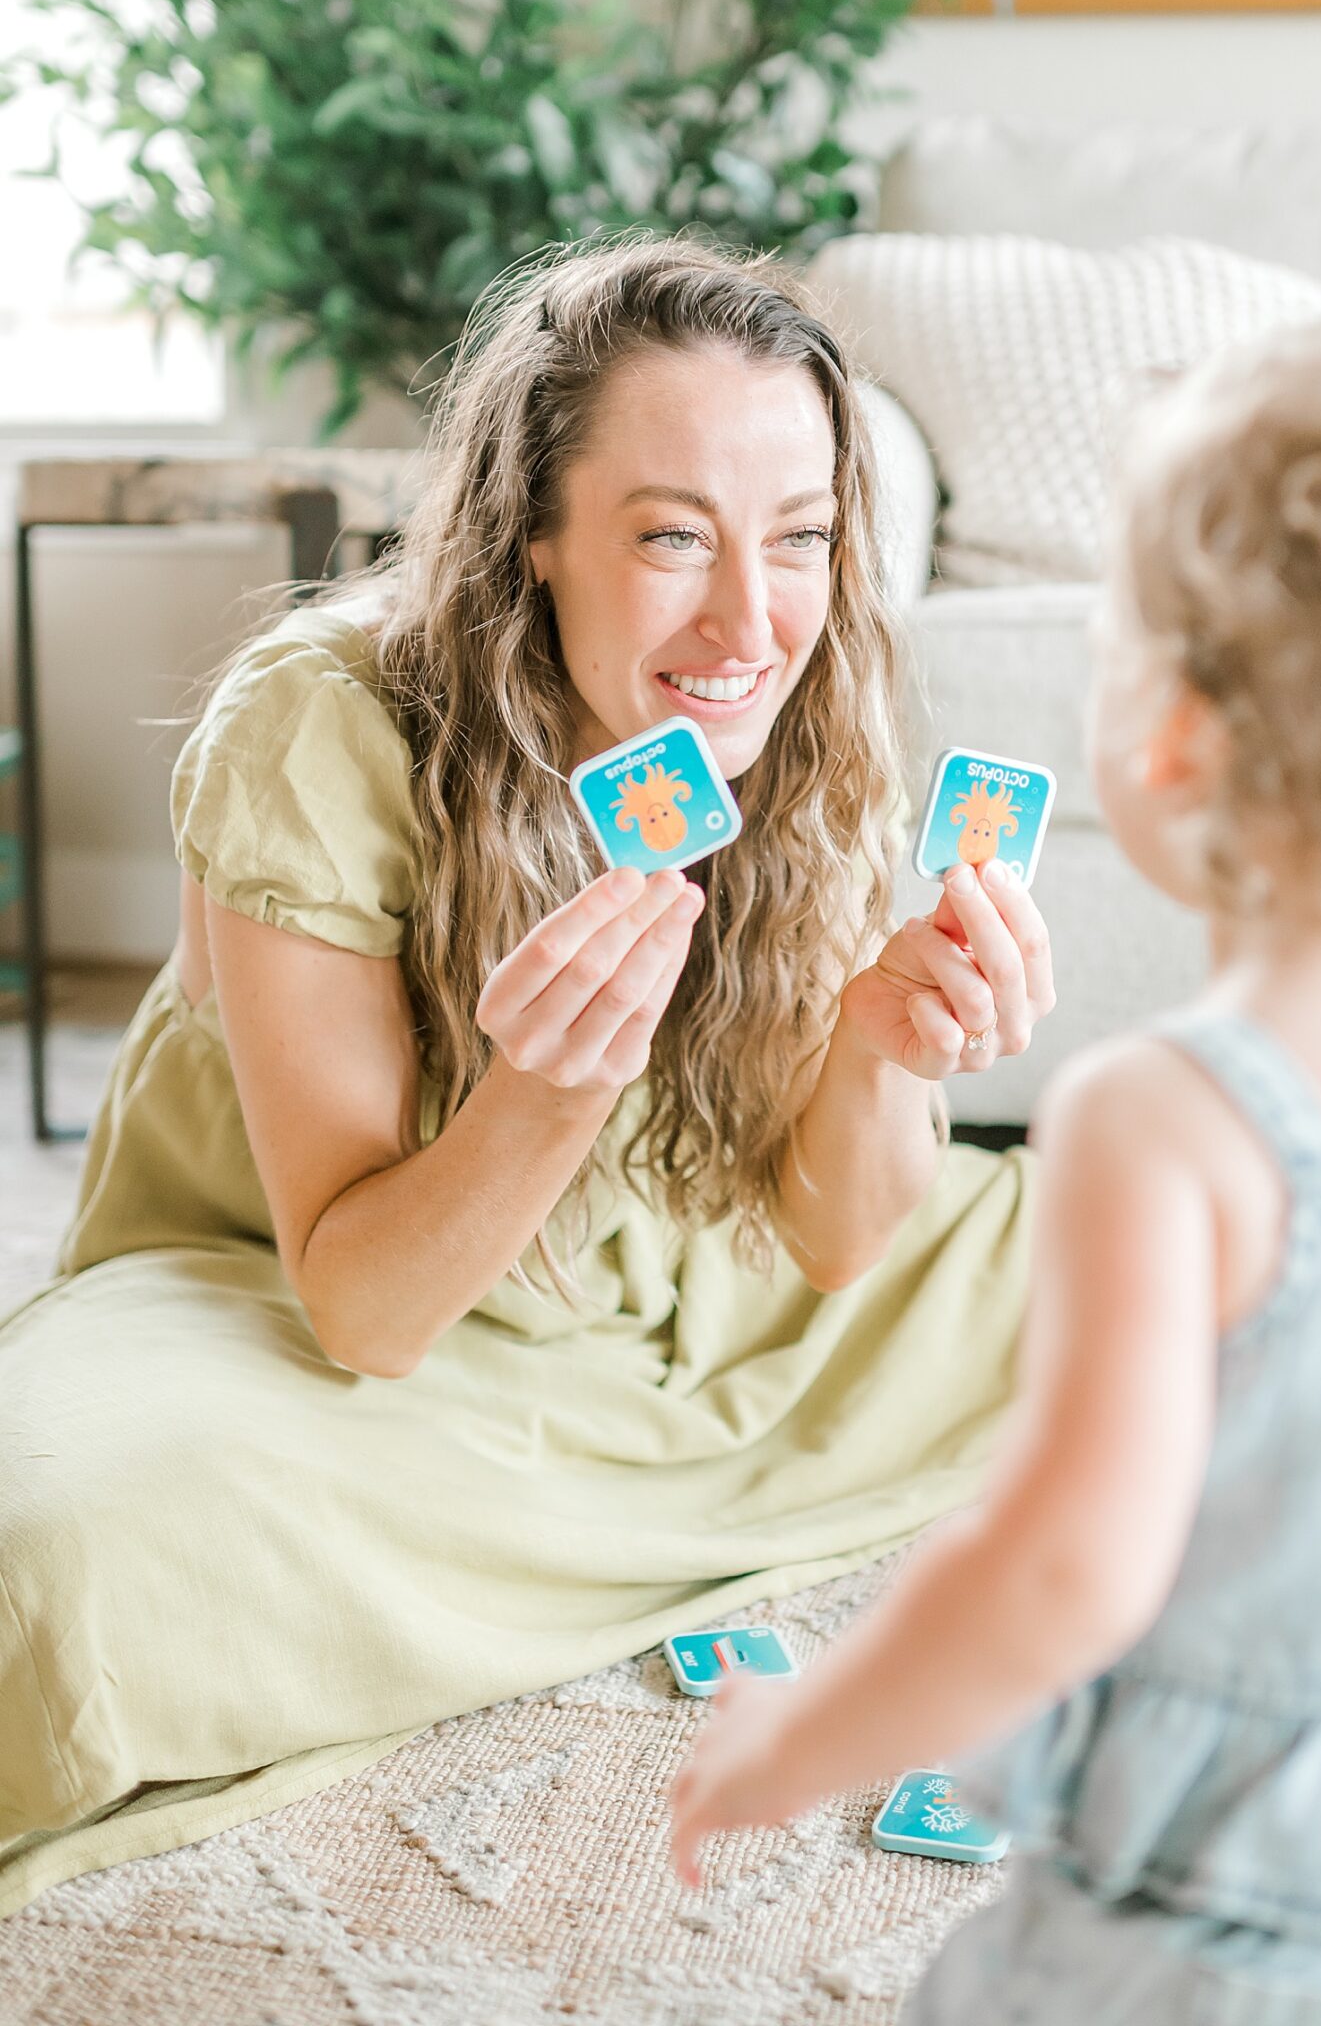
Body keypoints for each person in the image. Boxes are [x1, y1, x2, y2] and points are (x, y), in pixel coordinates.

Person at [0, 239, 1055, 1917]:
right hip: (327, 1333)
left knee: (1202, 1246)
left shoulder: (809, 707)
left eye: (799, 541)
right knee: (33, 1556)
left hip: (703, 1301)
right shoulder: (320, 724)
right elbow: (364, 1311)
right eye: (668, 539)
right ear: (535, 539)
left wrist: (877, 1044)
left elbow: (841, 1245)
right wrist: (544, 1094)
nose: (749, 622)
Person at [672, 317, 1321, 2023]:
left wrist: (814, 1730)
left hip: (1245, 1901)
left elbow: (1066, 1563)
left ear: (1172, 733)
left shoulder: (1161, 1113)